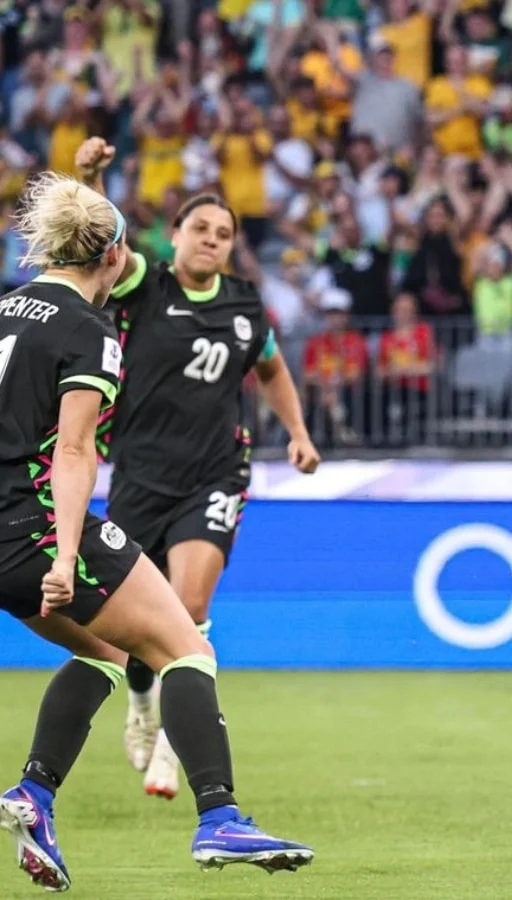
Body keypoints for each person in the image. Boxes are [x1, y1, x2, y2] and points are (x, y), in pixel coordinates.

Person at [0, 172, 313, 893]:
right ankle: (221, 819)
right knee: (188, 649)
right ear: (114, 258)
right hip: (36, 528)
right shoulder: (89, 328)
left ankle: (34, 797)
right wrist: (67, 553)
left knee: (111, 652)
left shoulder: (7, 311)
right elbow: (74, 453)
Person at [72, 137, 321, 799]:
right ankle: (144, 705)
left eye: (224, 234)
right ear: (175, 234)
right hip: (139, 476)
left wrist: (297, 433)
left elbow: (271, 369)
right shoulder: (145, 287)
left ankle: (173, 754)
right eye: (201, 229)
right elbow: (103, 245)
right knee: (130, 628)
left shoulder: (244, 306)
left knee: (189, 605)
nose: (211, 241)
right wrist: (95, 176)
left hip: (215, 474)